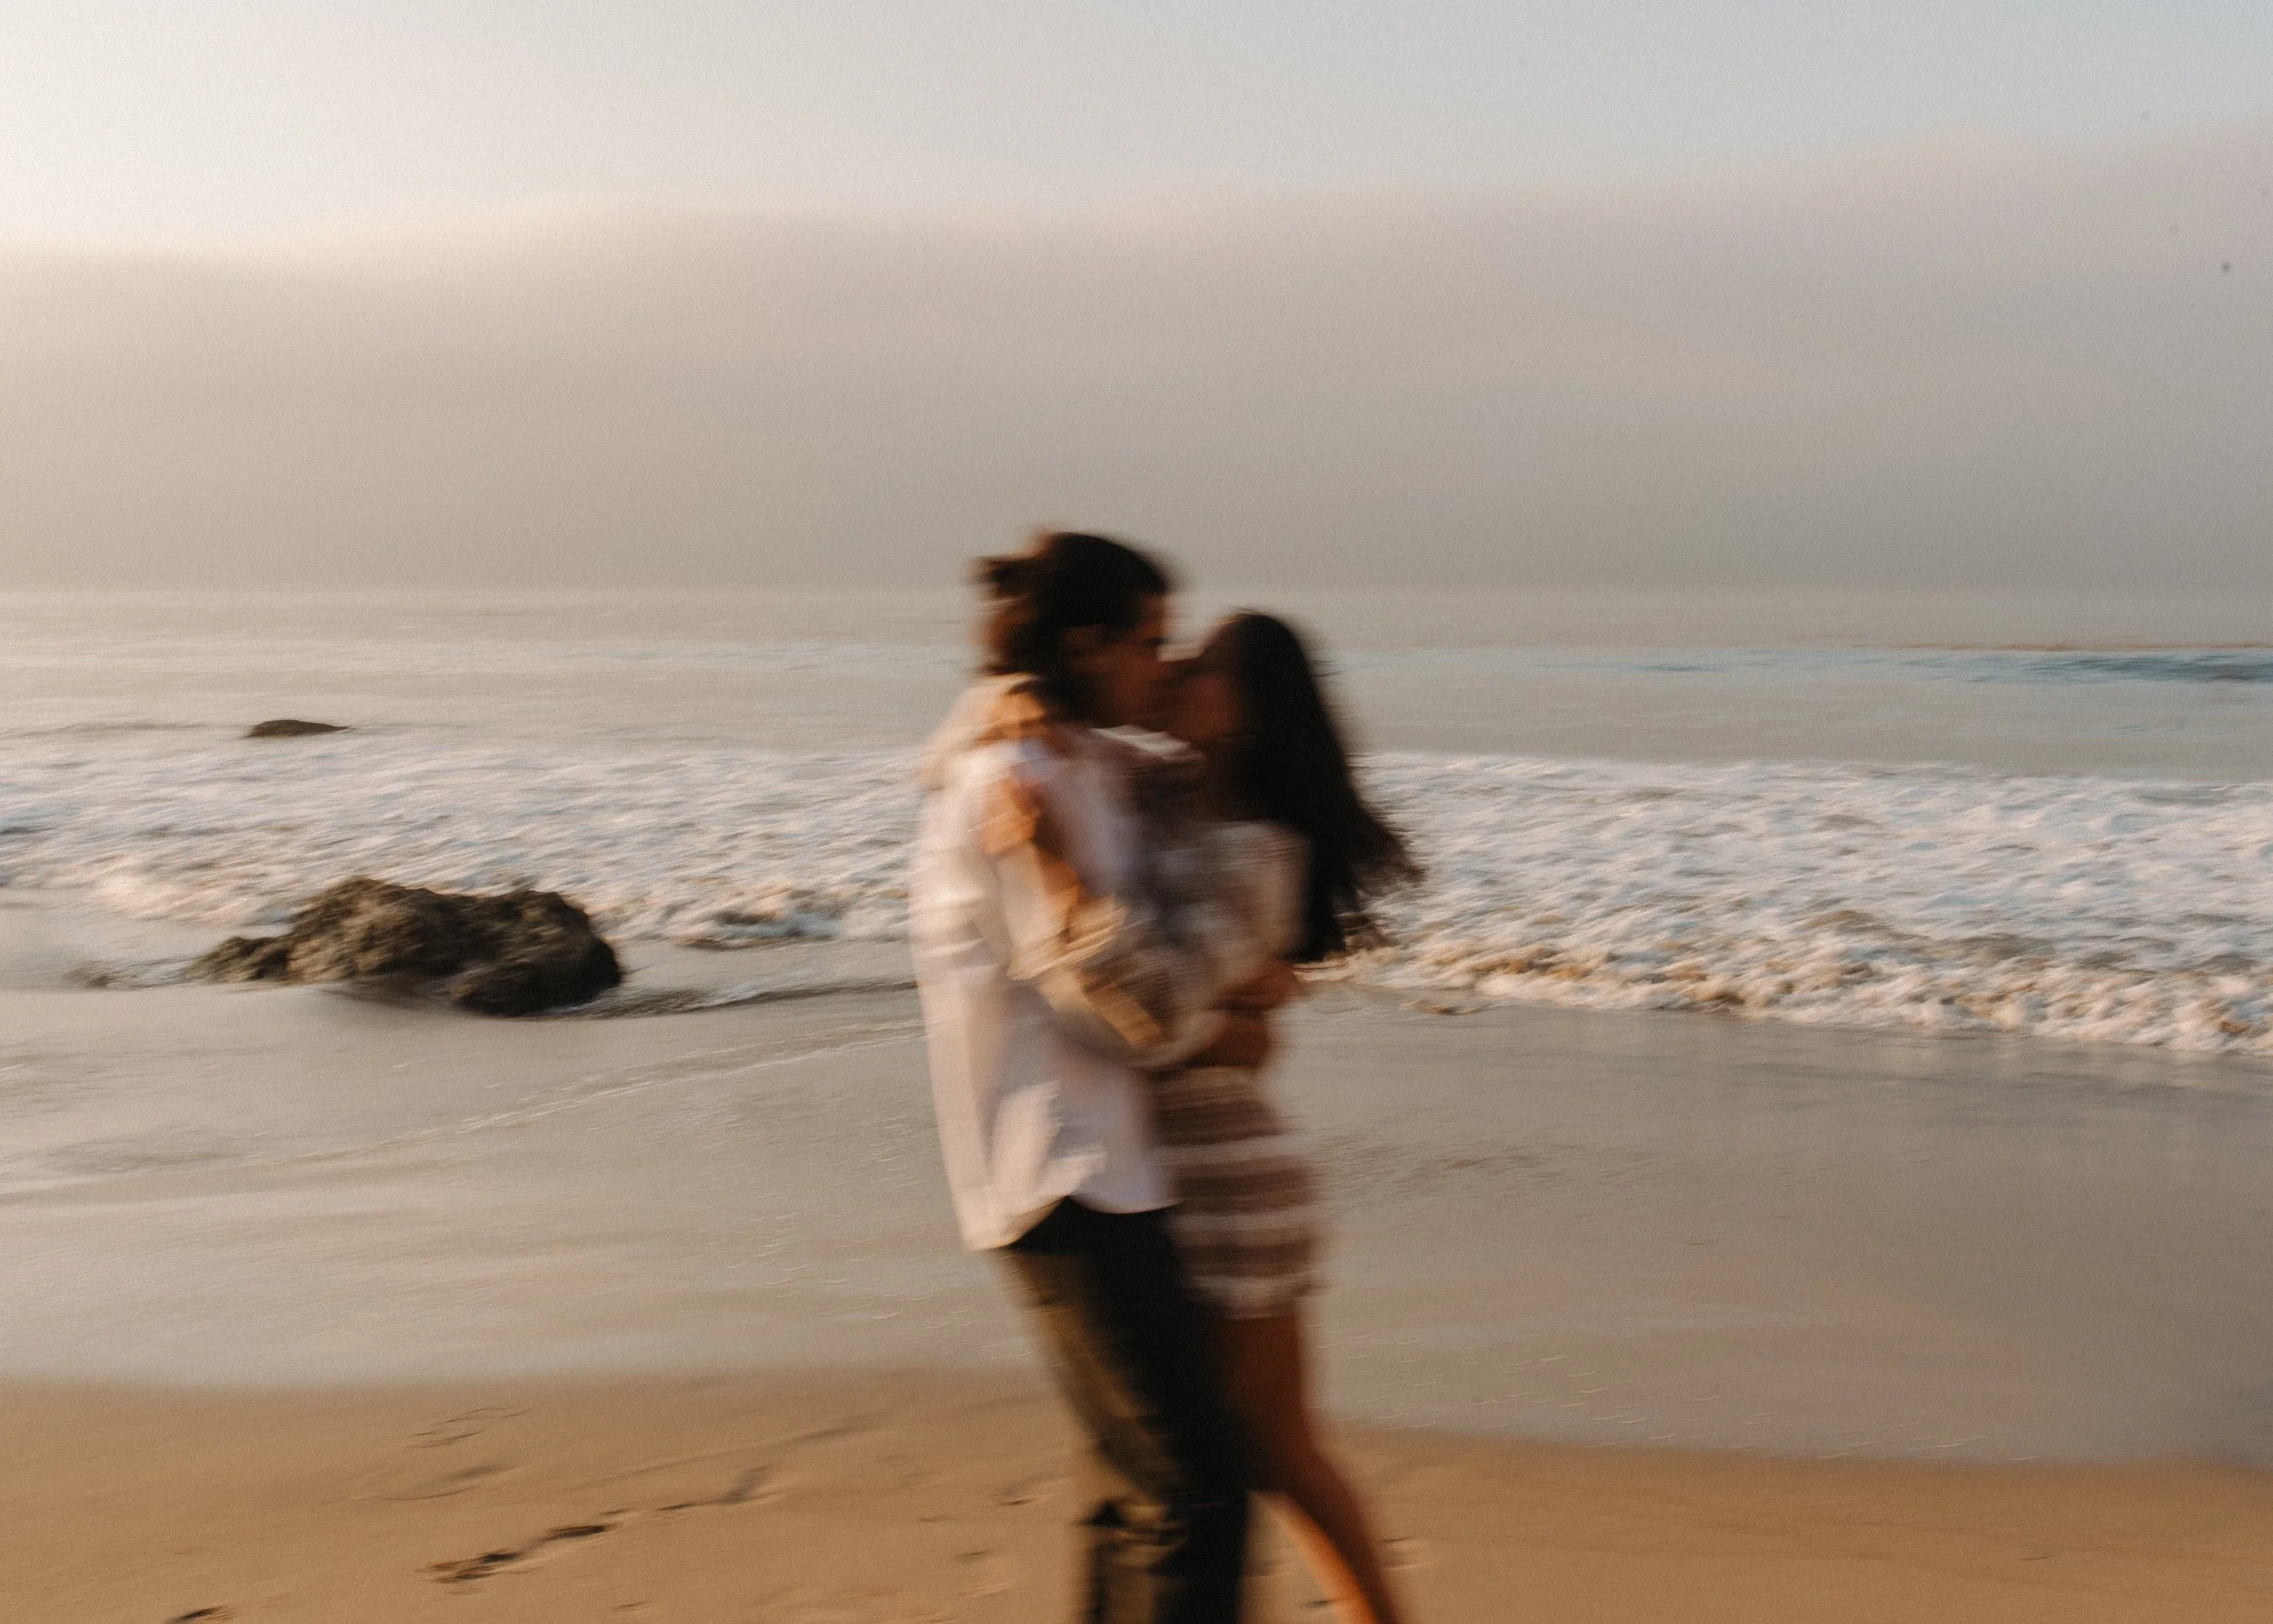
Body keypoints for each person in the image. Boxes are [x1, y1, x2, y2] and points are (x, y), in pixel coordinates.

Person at [910, 530, 1276, 1621]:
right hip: (1056, 1174)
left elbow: (1201, 762)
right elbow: (1119, 1013)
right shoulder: (1015, 783)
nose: (1162, 664)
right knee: (1198, 1492)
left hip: (1112, 1169)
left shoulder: (1081, 759)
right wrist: (1219, 1029)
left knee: (1134, 1491)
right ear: (1086, 641)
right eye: (1150, 640)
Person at [1149, 611, 1420, 1624]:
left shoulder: (1251, 845)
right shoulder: (1161, 794)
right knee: (1266, 1448)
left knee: (1238, 1456)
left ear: (1250, 714)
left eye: (1208, 665)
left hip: (1226, 1180)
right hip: (1204, 1166)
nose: (1179, 666)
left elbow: (1154, 1018)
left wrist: (1232, 1024)